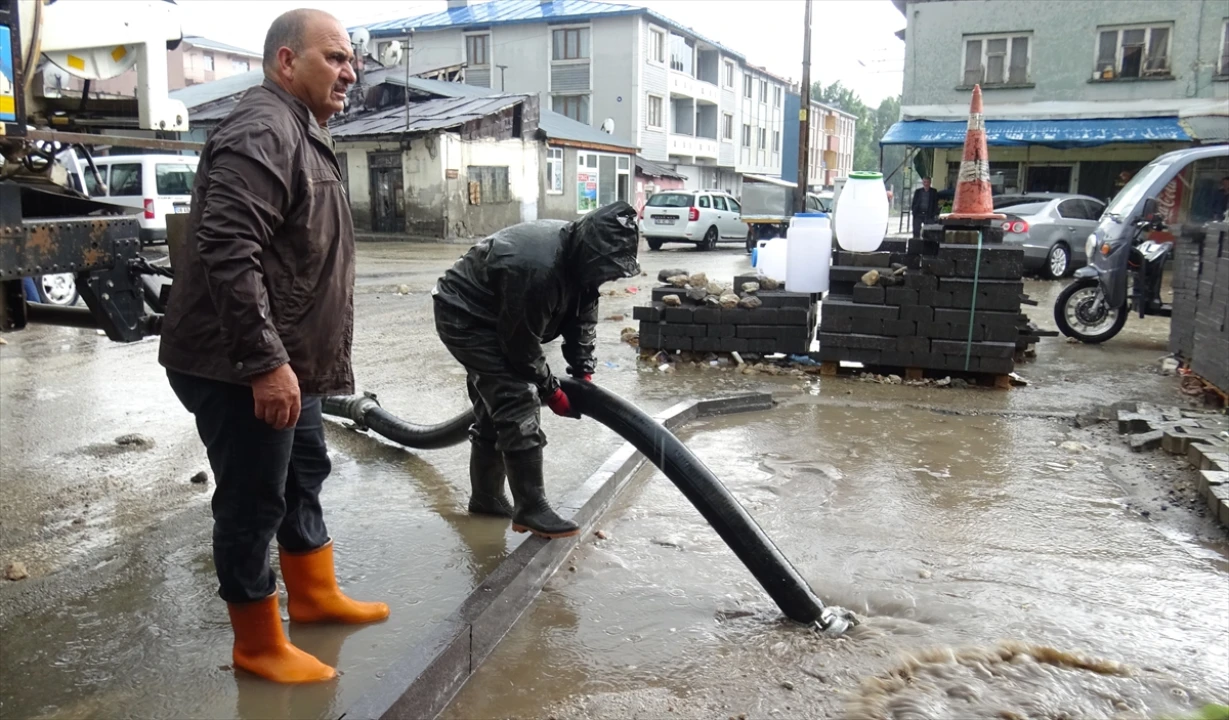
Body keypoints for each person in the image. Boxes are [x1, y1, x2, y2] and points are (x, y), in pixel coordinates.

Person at [158, 9, 387, 685]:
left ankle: (312, 596)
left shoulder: (299, 129)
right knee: (253, 500)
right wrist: (264, 363)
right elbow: (228, 250)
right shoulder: (263, 127)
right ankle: (257, 642)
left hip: (286, 359)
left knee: (302, 472)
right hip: (238, 364)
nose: (349, 72)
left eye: (353, 60)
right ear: (286, 61)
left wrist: (287, 363)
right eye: (334, 58)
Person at [432, 202, 642, 539]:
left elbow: (582, 317)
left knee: (493, 409)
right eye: (607, 268)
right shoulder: (536, 267)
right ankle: (530, 507)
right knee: (516, 397)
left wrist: (582, 372)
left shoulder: (584, 265)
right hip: (467, 315)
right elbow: (520, 348)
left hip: (501, 316)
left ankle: (486, 499)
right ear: (590, 254)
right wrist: (552, 391)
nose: (609, 275)